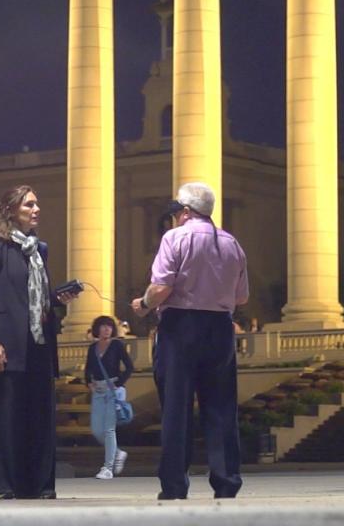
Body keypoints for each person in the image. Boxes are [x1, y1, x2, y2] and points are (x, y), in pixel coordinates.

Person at [131, 182, 248, 500]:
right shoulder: (232, 243)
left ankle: (174, 485)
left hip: (181, 327)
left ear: (184, 212)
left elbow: (161, 288)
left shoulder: (175, 237)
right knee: (221, 408)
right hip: (220, 328)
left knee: (176, 408)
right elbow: (242, 295)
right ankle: (226, 481)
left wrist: (142, 304)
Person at [0, 185, 78, 500]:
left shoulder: (39, 249)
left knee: (38, 415)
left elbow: (39, 299)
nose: (36, 209)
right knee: (5, 416)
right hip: (7, 345)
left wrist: (58, 298)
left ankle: (38, 485)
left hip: (39, 344)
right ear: (11, 210)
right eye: (29, 204)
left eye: (37, 204)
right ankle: (0, 486)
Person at [84, 315, 134, 480]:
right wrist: (89, 383)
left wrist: (119, 383)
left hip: (113, 391)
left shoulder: (117, 345)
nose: (106, 329)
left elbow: (129, 366)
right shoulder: (93, 348)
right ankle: (118, 452)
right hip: (98, 390)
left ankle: (107, 468)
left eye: (109, 327)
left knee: (109, 429)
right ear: (97, 329)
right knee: (97, 430)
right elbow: (88, 369)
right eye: (103, 326)